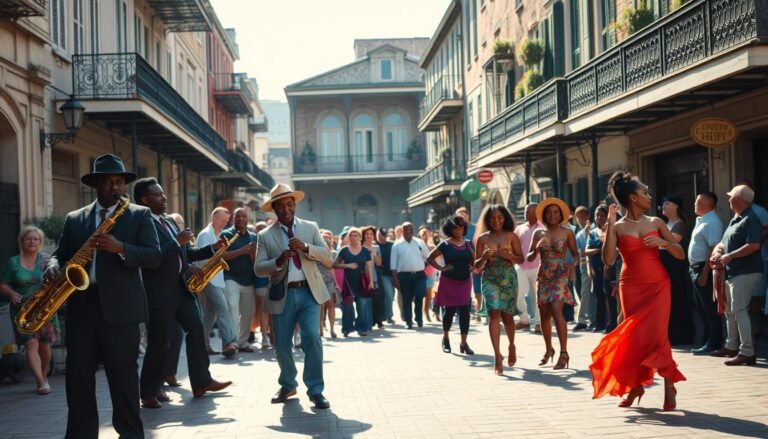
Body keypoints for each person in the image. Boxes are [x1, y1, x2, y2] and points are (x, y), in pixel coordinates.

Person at [44, 153, 162, 438]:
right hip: (82, 308)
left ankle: (131, 434)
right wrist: (52, 266)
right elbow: (60, 254)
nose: (114, 186)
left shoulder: (139, 215)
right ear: (96, 184)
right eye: (107, 181)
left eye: (119, 181)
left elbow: (155, 256)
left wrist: (121, 248)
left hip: (121, 311)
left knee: (123, 381)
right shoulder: (75, 218)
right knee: (78, 381)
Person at [590, 171, 686, 411]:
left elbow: (680, 254)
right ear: (633, 197)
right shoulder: (618, 227)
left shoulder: (656, 222)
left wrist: (664, 244)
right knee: (634, 338)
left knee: (658, 334)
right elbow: (609, 260)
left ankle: (668, 385)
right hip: (630, 286)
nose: (649, 195)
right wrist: (610, 227)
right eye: (644, 192)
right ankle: (635, 386)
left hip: (658, 285)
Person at [133, 178, 231, 409]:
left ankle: (201, 382)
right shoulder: (142, 223)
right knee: (160, 341)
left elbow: (187, 253)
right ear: (144, 200)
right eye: (158, 195)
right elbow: (153, 256)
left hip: (181, 289)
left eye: (163, 193)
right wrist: (177, 241)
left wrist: (212, 249)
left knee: (196, 329)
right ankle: (148, 391)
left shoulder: (167, 221)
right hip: (158, 293)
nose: (164, 198)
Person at [255, 183, 333, 409]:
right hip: (282, 295)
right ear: (274, 210)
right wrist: (277, 261)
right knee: (281, 346)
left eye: (290, 205)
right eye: (280, 207)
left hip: (310, 293)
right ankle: (288, 384)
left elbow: (328, 258)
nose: (286, 210)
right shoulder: (264, 235)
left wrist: (306, 247)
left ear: (294, 205)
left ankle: (316, 390)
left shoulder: (310, 227)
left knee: (312, 337)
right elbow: (259, 268)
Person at [709, 184, 764, 366]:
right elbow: (724, 243)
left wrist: (730, 255)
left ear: (739, 200)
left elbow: (754, 245)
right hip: (734, 272)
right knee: (730, 311)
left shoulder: (751, 219)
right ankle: (731, 346)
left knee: (739, 310)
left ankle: (747, 352)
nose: (728, 199)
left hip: (746, 271)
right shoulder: (736, 219)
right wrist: (718, 251)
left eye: (731, 197)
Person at [0, 226, 58, 395]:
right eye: (28, 239)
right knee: (31, 344)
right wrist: (11, 293)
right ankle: (40, 382)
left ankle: (44, 375)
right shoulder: (13, 262)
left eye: (35, 239)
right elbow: (3, 284)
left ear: (40, 243)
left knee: (45, 347)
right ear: (21, 242)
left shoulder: (47, 260)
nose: (32, 242)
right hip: (22, 311)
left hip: (45, 309)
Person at [527, 198, 578, 370]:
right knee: (544, 315)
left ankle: (564, 353)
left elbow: (576, 254)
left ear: (561, 214)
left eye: (556, 212)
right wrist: (535, 249)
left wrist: (573, 266)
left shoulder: (567, 232)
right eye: (549, 212)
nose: (553, 215)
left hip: (561, 274)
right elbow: (529, 258)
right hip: (544, 275)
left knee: (557, 311)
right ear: (544, 215)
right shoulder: (538, 233)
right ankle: (549, 349)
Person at [475, 205, 524, 375]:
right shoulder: (482, 238)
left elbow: (521, 259)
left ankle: (511, 345)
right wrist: (483, 257)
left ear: (505, 219)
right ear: (487, 220)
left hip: (509, 279)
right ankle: (497, 355)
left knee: (508, 317)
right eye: (493, 218)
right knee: (494, 314)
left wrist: (510, 257)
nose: (496, 221)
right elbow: (476, 266)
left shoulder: (512, 236)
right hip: (490, 280)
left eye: (500, 218)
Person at [428, 215, 476, 355]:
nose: (458, 229)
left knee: (464, 312)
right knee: (449, 311)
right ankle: (446, 338)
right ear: (450, 228)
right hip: (448, 282)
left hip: (465, 282)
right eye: (455, 227)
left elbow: (474, 260)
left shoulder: (468, 243)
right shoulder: (445, 244)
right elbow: (430, 257)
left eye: (461, 227)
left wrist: (472, 268)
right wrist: (440, 268)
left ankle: (464, 343)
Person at [197, 207, 238, 356]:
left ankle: (202, 344)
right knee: (223, 307)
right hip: (208, 278)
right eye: (222, 221)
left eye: (226, 221)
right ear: (214, 218)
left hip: (217, 278)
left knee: (209, 314)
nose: (225, 224)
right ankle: (228, 342)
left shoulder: (218, 234)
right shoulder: (205, 235)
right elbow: (200, 259)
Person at [688, 192, 725, 355]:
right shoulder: (701, 220)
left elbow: (713, 248)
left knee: (709, 308)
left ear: (708, 204)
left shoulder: (712, 222)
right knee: (701, 308)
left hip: (705, 269)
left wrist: (705, 273)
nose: (695, 204)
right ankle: (706, 340)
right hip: (695, 268)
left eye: (698, 202)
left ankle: (714, 341)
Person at [221, 208, 259, 352]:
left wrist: (252, 254)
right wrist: (242, 251)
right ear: (233, 218)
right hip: (231, 277)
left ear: (247, 219)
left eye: (244, 216)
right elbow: (222, 256)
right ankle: (232, 341)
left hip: (249, 280)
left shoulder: (253, 237)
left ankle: (242, 341)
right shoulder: (226, 234)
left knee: (247, 312)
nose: (241, 219)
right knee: (232, 307)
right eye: (238, 216)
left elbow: (256, 261)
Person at [659, 195, 694, 345]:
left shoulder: (680, 224)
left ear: (676, 206)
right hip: (664, 269)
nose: (663, 206)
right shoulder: (665, 224)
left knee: (677, 301)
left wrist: (657, 242)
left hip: (675, 269)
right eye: (663, 203)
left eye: (667, 203)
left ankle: (681, 336)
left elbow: (670, 243)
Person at [334, 228, 375, 336]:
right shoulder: (344, 250)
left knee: (362, 305)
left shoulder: (365, 251)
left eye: (356, 235)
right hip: (348, 282)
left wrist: (371, 281)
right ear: (348, 237)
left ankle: (361, 328)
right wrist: (347, 265)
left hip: (362, 281)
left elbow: (369, 266)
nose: (354, 237)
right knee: (347, 306)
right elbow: (334, 264)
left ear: (360, 237)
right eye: (351, 235)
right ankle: (347, 329)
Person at [391, 222, 430, 329]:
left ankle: (419, 318)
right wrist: (396, 280)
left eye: (410, 229)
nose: (408, 231)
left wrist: (423, 267)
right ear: (402, 231)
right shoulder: (397, 245)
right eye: (406, 229)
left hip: (419, 275)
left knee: (420, 295)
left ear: (413, 230)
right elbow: (393, 265)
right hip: (404, 276)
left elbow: (427, 257)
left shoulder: (419, 242)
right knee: (407, 299)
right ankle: (408, 322)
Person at [586, 205, 616, 332]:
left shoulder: (612, 230)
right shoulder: (593, 233)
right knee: (599, 296)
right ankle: (600, 323)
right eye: (597, 215)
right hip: (597, 268)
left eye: (602, 215)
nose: (599, 218)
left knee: (610, 295)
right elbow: (586, 251)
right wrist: (600, 249)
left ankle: (612, 322)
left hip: (611, 267)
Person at [514, 203, 541, 332]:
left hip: (539, 266)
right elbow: (514, 245)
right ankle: (524, 319)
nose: (526, 214)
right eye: (525, 212)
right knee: (517, 291)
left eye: (529, 212)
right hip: (521, 266)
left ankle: (538, 323)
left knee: (538, 296)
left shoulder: (543, 227)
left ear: (536, 213)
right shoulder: (519, 228)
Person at [456, 207, 483, 324]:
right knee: (461, 289)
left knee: (478, 289)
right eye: (459, 215)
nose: (462, 217)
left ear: (468, 216)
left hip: (475, 261)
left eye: (464, 215)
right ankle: (461, 312)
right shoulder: (454, 229)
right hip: (460, 262)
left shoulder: (475, 228)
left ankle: (479, 312)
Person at [573, 206, 594, 331]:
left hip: (593, 264)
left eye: (583, 216)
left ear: (588, 217)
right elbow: (578, 251)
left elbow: (588, 249)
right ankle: (585, 318)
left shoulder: (595, 230)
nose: (581, 219)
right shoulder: (578, 234)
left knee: (591, 292)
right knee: (584, 292)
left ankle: (586, 318)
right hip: (582, 265)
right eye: (578, 217)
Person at [252, 221, 272, 348]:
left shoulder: (272, 242)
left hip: (274, 280)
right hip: (261, 280)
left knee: (273, 310)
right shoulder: (255, 244)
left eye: (263, 228)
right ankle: (264, 335)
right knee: (263, 309)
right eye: (258, 229)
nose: (261, 231)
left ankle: (270, 334)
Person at [319, 229, 339, 338]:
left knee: (331, 305)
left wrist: (336, 283)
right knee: (320, 307)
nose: (325, 239)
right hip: (318, 281)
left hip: (329, 281)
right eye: (323, 238)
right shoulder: (315, 253)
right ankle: (320, 328)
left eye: (327, 238)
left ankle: (332, 329)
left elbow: (332, 269)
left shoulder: (334, 253)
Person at [362, 226, 384, 328]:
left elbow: (379, 263)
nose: (369, 236)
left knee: (377, 299)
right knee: (366, 300)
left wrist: (374, 254)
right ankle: (369, 322)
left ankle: (378, 319)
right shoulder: (360, 247)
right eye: (367, 234)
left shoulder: (376, 247)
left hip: (374, 277)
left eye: (371, 234)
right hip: (362, 277)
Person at [376, 228, 396, 324]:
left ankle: (386, 314)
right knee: (389, 294)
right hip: (383, 274)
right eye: (379, 235)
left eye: (383, 235)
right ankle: (388, 316)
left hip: (393, 274)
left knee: (391, 296)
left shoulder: (392, 245)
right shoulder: (375, 246)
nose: (381, 237)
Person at [418, 226, 438, 322]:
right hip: (420, 273)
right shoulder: (417, 246)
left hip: (430, 273)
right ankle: (420, 311)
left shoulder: (432, 247)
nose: (425, 237)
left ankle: (426, 312)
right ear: (420, 236)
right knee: (420, 294)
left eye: (427, 235)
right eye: (423, 235)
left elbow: (437, 259)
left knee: (429, 295)